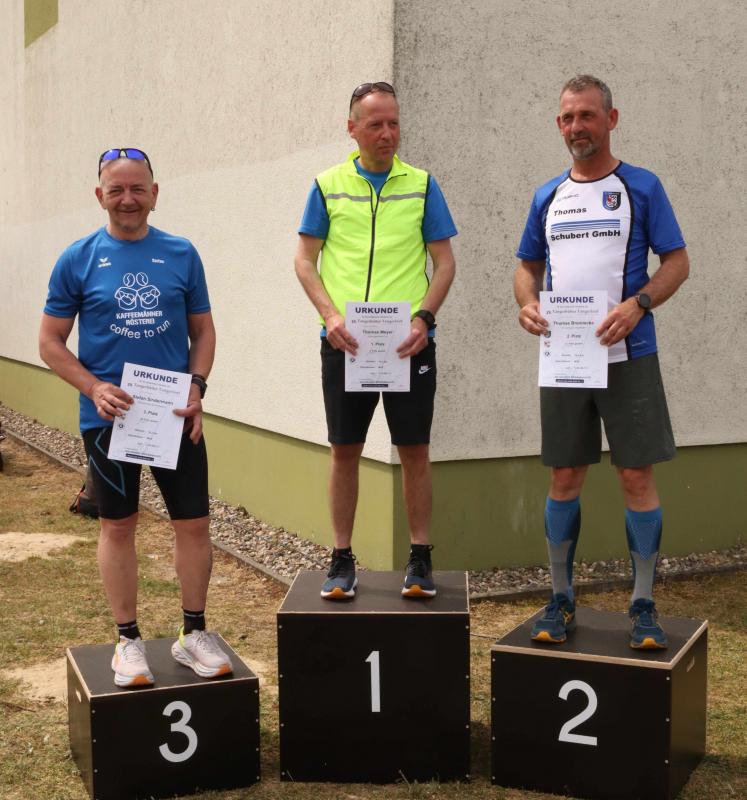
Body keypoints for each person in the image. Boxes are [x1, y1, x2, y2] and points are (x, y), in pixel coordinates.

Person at [39, 148, 232, 686]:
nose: (128, 199)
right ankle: (128, 642)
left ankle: (193, 634)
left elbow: (203, 331)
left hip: (174, 413)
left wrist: (196, 386)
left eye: (138, 188)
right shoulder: (77, 258)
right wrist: (94, 387)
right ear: (100, 195)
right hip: (109, 420)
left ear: (155, 192)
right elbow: (50, 342)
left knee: (193, 523)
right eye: (117, 189)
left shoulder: (181, 253)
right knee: (118, 525)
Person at [514, 76, 689, 649]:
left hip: (628, 355)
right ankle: (561, 598)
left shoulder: (641, 186)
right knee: (565, 475)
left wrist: (639, 305)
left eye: (587, 115)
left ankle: (643, 605)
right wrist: (527, 303)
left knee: (635, 475)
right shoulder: (547, 195)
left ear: (611, 119)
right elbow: (527, 267)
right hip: (565, 359)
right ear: (558, 124)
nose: (576, 127)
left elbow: (677, 262)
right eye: (567, 117)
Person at [294, 82, 457, 599]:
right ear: (352, 129)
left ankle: (420, 557)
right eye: (375, 125)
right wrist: (330, 316)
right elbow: (304, 260)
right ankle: (341, 558)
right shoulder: (327, 185)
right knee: (345, 450)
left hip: (409, 343)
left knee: (414, 450)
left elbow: (444, 263)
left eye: (393, 123)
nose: (387, 134)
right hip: (346, 343)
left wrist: (424, 319)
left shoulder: (423, 185)